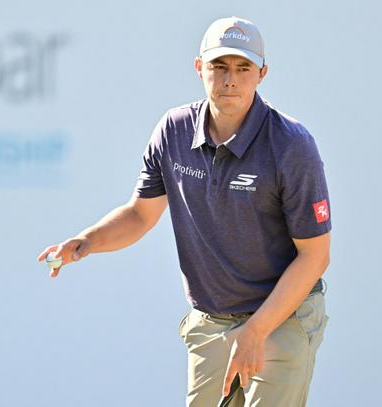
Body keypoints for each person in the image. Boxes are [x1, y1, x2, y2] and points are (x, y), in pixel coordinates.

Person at [37, 16, 331, 407]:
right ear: (199, 67)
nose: (230, 79)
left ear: (262, 73)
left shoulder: (292, 145)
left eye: (243, 68)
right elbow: (140, 215)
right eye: (219, 66)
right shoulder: (173, 130)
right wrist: (87, 241)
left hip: (282, 316)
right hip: (211, 319)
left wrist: (256, 330)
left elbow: (314, 256)